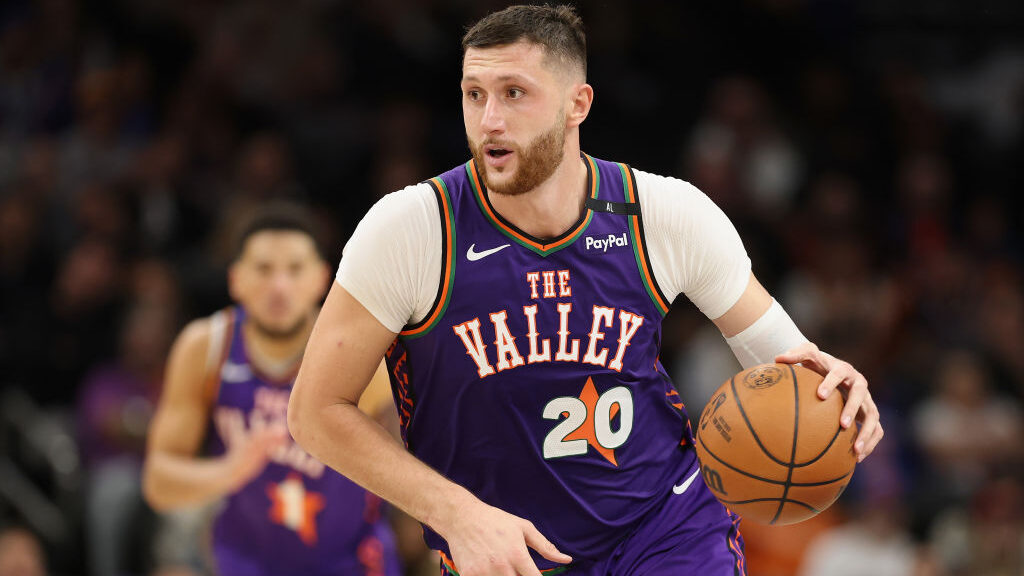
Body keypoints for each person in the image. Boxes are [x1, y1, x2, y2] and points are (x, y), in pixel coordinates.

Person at [287, 5, 884, 576]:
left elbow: (784, 362)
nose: (489, 119)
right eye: (474, 94)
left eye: (514, 93)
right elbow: (316, 411)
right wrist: (455, 513)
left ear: (578, 104)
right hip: (509, 552)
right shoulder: (412, 230)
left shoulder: (661, 214)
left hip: (665, 527)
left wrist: (833, 389)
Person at [142, 203, 401, 576]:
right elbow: (159, 483)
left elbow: (419, 459)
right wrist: (229, 471)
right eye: (263, 269)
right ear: (236, 280)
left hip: (351, 562)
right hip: (244, 562)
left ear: (322, 279)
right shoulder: (206, 347)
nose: (279, 286)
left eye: (294, 269)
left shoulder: (359, 353)